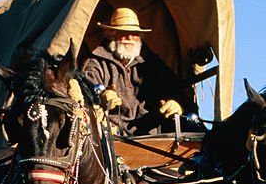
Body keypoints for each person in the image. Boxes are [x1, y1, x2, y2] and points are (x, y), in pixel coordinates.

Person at [81, 7, 197, 135]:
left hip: (152, 136)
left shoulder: (152, 63)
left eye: (134, 33)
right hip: (112, 137)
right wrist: (100, 99)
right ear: (112, 34)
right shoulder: (96, 63)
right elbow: (83, 96)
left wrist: (176, 103)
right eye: (124, 32)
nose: (130, 37)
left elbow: (178, 92)